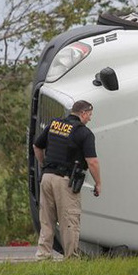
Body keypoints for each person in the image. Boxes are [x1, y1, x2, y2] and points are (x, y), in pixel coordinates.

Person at [33, 100, 102, 260]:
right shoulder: (84, 133)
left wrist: (44, 165)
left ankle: (43, 257)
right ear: (83, 113)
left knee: (47, 220)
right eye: (89, 115)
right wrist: (98, 183)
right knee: (70, 220)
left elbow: (37, 146)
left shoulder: (55, 125)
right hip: (65, 181)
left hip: (47, 178)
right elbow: (92, 162)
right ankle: (71, 260)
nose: (90, 119)